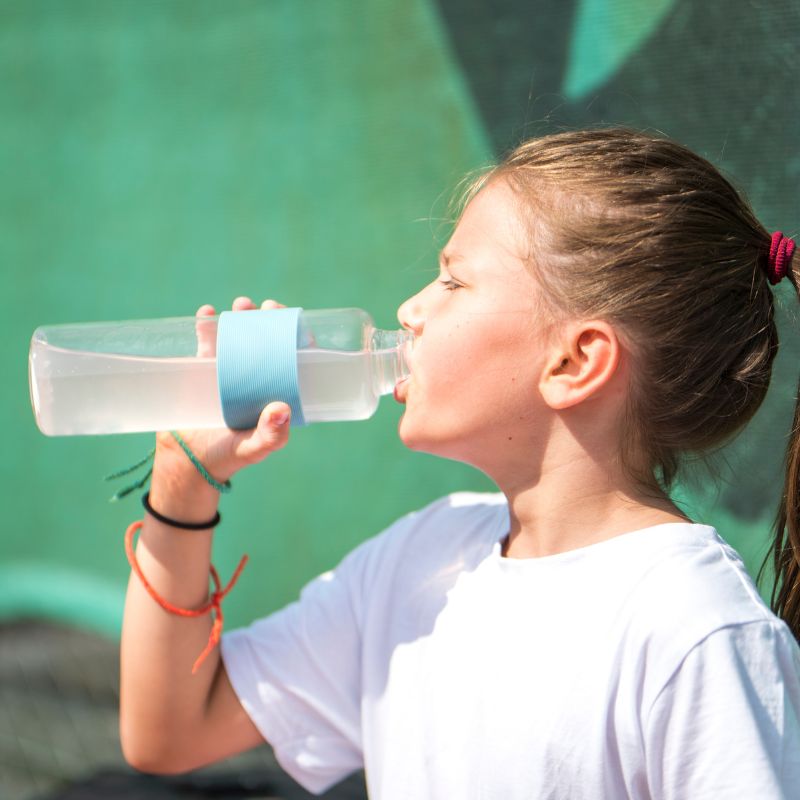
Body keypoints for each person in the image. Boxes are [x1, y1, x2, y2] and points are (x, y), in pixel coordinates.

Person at [119, 128, 800, 798]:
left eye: (453, 281)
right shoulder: (421, 559)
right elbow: (170, 731)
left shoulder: (693, 629)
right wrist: (184, 483)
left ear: (574, 361)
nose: (410, 309)